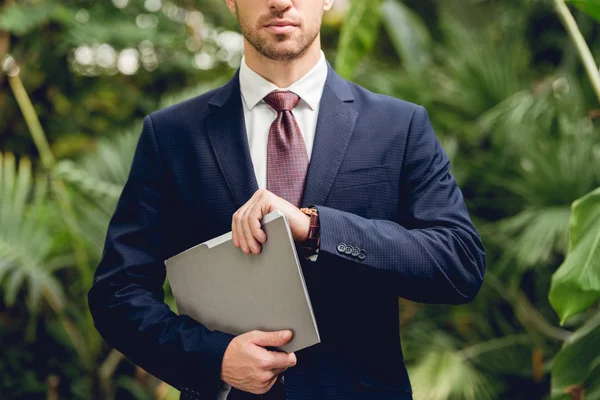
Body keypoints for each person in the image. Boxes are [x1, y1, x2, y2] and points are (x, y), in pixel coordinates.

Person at [87, 0, 486, 399]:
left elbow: (459, 264)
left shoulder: (399, 126)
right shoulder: (172, 135)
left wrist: (316, 227)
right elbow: (118, 292)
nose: (280, 1)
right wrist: (215, 358)